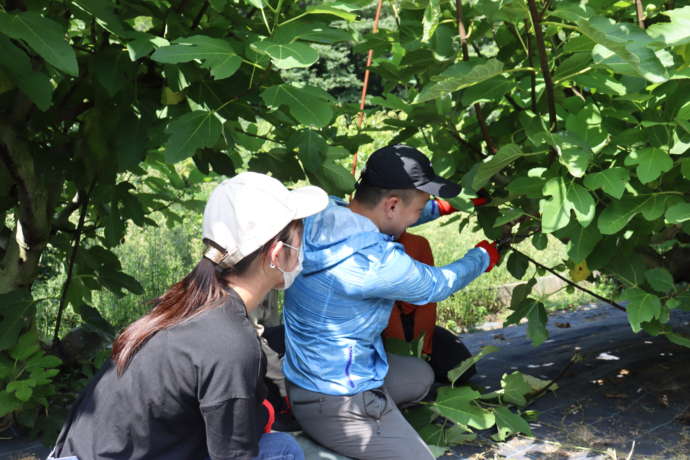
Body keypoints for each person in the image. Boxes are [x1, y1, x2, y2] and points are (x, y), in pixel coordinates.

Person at [48, 172, 328, 460]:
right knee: (281, 452)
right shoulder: (229, 343)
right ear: (277, 253)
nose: (301, 251)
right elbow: (233, 455)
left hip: (81, 451)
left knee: (281, 448)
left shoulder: (193, 301)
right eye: (299, 239)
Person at [282, 144, 502, 460]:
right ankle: (326, 444)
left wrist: (441, 207)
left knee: (420, 376)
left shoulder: (323, 213)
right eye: (419, 207)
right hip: (339, 398)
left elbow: (391, 216)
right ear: (393, 204)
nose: (417, 216)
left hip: (310, 374)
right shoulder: (375, 263)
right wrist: (483, 256)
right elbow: (437, 284)